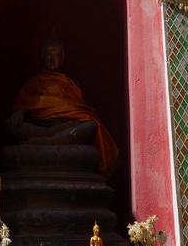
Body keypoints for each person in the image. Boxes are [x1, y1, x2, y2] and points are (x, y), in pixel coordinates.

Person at [8, 37, 118, 178]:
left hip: (65, 127)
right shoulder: (34, 82)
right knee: (9, 125)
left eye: (56, 54)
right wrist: (19, 112)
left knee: (91, 125)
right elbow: (25, 103)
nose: (52, 58)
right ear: (42, 57)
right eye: (48, 53)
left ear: (62, 58)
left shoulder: (71, 84)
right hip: (39, 127)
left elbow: (79, 112)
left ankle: (43, 142)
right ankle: (49, 140)